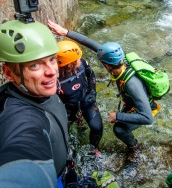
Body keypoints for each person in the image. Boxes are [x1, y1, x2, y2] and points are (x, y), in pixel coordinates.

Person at [47, 19, 161, 162]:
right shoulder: (117, 60)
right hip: (129, 101)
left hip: (145, 108)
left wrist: (118, 116)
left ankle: (134, 148)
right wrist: (65, 32)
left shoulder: (132, 84)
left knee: (119, 129)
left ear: (107, 66)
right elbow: (91, 43)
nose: (80, 61)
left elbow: (148, 118)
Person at [0, 19, 69, 184]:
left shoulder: (37, 89)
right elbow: (23, 144)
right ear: (9, 73)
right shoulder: (18, 115)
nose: (52, 72)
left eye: (53, 59)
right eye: (35, 65)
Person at [56, 40, 103, 155]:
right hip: (67, 109)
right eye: (76, 59)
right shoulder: (54, 77)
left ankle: (94, 148)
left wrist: (92, 92)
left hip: (85, 100)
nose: (80, 60)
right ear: (68, 63)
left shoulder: (81, 63)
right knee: (63, 137)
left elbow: (90, 74)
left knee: (97, 127)